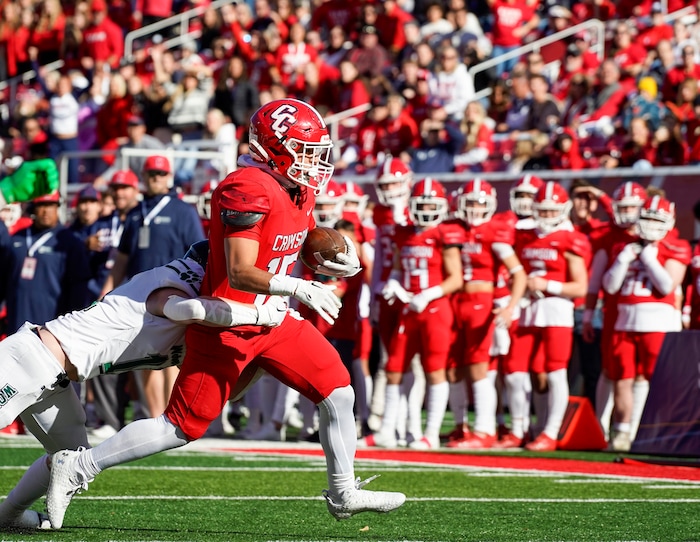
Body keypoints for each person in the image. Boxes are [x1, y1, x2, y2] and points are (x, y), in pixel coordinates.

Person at [47, 99, 405, 529]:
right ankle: (78, 467)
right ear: (273, 147)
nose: (314, 162)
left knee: (338, 392)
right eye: (304, 150)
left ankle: (344, 491)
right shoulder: (246, 187)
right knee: (180, 427)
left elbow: (290, 236)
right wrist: (296, 285)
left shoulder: (298, 185)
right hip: (228, 321)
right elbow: (239, 270)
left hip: (272, 318)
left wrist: (322, 256)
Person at [0, 242, 287, 531]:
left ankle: (8, 515)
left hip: (57, 381)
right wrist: (260, 315)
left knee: (72, 461)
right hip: (32, 358)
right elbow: (184, 307)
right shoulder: (172, 284)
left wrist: (261, 356)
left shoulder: (202, 321)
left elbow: (227, 389)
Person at [99, 154, 205, 419]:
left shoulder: (183, 211)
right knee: (147, 358)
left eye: (160, 174)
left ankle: (172, 419)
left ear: (168, 177)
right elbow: (122, 258)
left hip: (174, 292)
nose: (155, 179)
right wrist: (107, 290)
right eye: (151, 174)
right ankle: (154, 416)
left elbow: (199, 253)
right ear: (144, 178)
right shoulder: (136, 213)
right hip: (139, 296)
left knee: (171, 358)